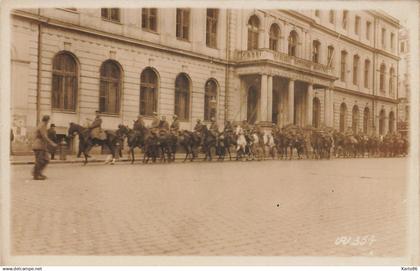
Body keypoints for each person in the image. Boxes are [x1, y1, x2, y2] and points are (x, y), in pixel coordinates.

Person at [32, 115, 57, 180]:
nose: (48, 122)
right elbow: (44, 136)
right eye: (48, 120)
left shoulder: (42, 125)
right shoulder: (42, 125)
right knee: (40, 161)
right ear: (47, 120)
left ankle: (38, 173)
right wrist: (52, 143)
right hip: (39, 146)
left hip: (41, 146)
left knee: (45, 160)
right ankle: (36, 175)